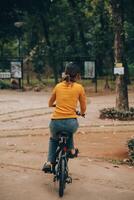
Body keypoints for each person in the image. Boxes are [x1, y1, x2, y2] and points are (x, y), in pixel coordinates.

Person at [42, 62, 86, 173]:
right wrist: (82, 113)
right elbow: (83, 106)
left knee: (53, 139)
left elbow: (50, 103)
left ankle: (48, 162)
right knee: (69, 131)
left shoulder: (58, 86)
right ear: (77, 75)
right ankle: (71, 150)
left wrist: (54, 105)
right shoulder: (79, 88)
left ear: (65, 73)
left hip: (55, 123)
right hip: (71, 123)